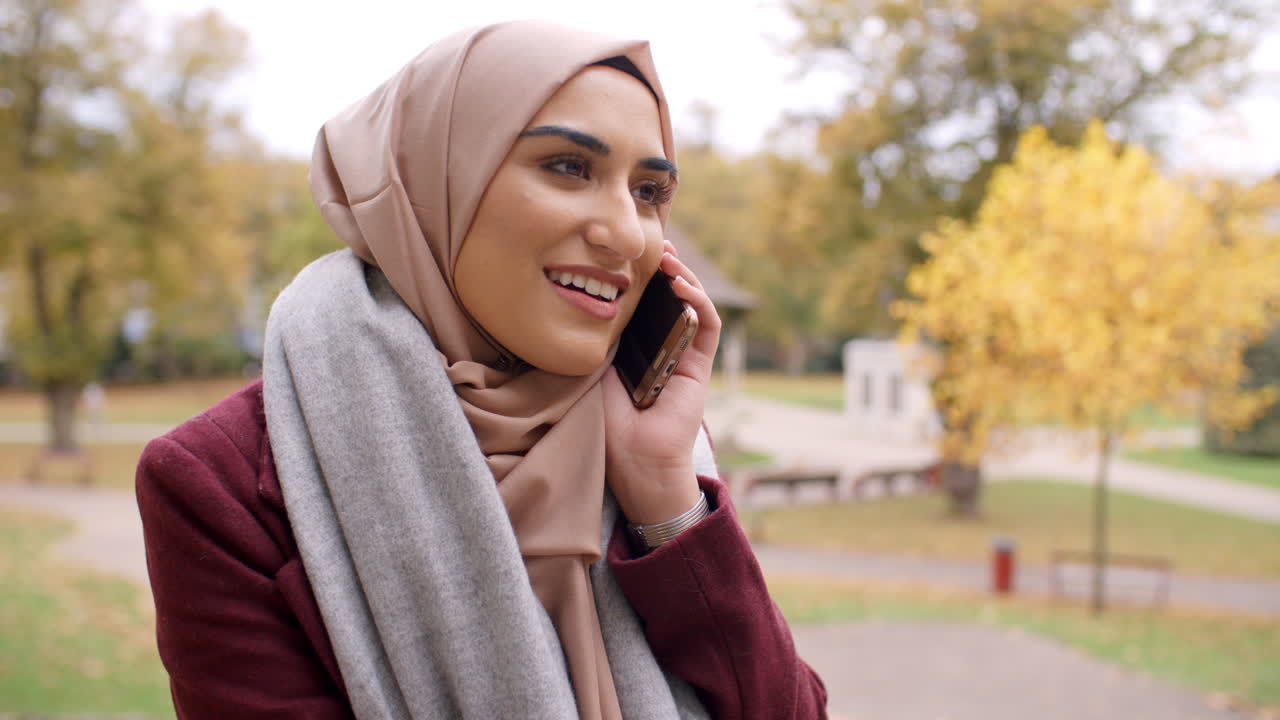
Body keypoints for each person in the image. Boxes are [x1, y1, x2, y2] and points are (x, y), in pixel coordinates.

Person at [136, 19, 827, 720]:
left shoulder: (651, 433)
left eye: (649, 192)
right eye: (569, 167)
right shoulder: (219, 484)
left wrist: (666, 502)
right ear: (439, 181)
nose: (625, 233)